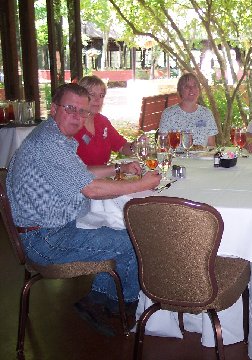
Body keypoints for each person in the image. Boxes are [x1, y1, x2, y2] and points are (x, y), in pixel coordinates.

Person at [6, 83, 161, 335]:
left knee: (118, 225)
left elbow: (79, 174)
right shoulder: (50, 144)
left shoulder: (54, 135)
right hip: (45, 239)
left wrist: (118, 169)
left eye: (83, 112)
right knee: (135, 240)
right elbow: (90, 189)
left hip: (51, 226)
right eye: (70, 109)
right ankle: (114, 305)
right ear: (54, 109)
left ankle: (104, 299)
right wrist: (142, 184)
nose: (78, 117)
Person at [75, 75, 135, 166]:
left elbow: (122, 147)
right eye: (92, 94)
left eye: (101, 95)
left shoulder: (102, 122)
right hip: (81, 179)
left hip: (104, 177)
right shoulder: (73, 126)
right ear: (80, 97)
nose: (97, 99)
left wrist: (135, 146)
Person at [158, 72, 218, 148]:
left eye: (195, 85)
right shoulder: (168, 114)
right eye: (186, 86)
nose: (191, 89)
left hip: (202, 159)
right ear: (180, 91)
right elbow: (163, 146)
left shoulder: (207, 113)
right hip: (177, 159)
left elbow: (211, 146)